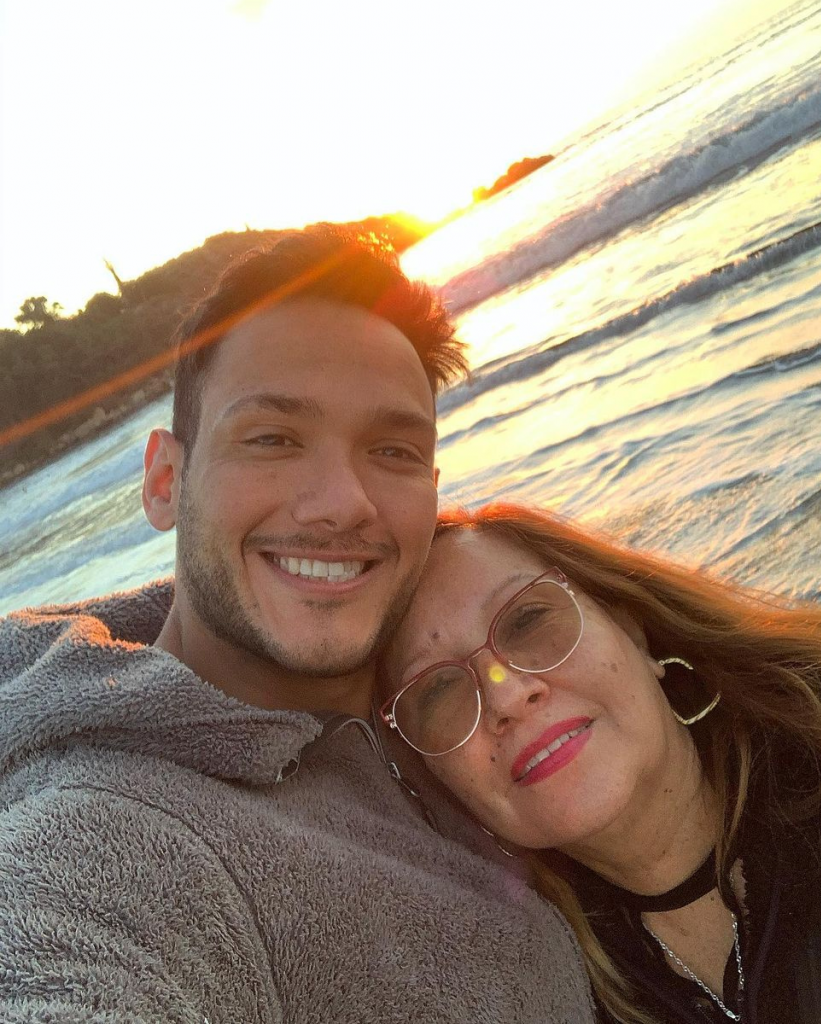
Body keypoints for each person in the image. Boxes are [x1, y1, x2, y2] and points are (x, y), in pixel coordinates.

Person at [0, 228, 598, 1023]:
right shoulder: (102, 841)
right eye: (274, 439)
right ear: (166, 481)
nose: (343, 502)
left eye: (392, 450)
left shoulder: (459, 682)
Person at [381, 502, 821, 1024]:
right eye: (438, 692)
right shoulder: (537, 995)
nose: (507, 695)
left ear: (630, 628)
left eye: (527, 620)